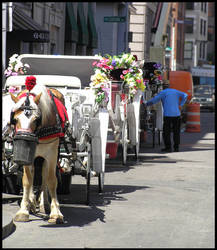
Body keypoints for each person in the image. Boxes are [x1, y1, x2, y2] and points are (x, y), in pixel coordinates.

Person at [144, 80, 188, 152]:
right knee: (176, 132)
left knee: (166, 132)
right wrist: (181, 104)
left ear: (163, 86)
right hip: (177, 114)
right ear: (169, 85)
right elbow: (185, 95)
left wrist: (147, 104)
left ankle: (168, 147)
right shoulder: (175, 91)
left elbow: (154, 100)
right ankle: (176, 147)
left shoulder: (163, 92)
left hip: (167, 115)